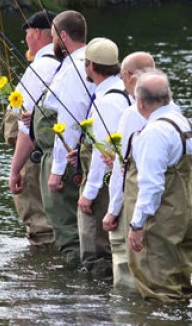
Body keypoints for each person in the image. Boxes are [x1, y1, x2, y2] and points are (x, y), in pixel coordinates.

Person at [33, 10, 95, 265]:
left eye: (54, 36)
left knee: (68, 228)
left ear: (64, 36)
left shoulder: (73, 70)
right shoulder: (87, 63)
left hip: (69, 159)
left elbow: (68, 123)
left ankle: (75, 291)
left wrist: (57, 170)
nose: (52, 42)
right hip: (82, 156)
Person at [125, 69, 192, 301]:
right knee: (181, 283)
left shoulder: (153, 133)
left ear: (140, 103)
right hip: (183, 216)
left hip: (161, 223)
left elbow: (151, 186)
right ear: (168, 96)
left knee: (160, 290)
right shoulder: (182, 123)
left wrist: (137, 224)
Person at [76, 37, 129, 278]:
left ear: (92, 66)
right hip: (118, 178)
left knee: (95, 250)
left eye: (85, 63)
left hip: (104, 184)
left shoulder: (107, 101)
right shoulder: (124, 93)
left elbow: (101, 153)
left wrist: (89, 193)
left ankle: (94, 305)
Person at [102, 51, 155, 290]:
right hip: (163, 203)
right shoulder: (172, 109)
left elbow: (122, 168)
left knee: (125, 266)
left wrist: (112, 210)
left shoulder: (133, 113)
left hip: (135, 202)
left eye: (123, 75)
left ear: (131, 77)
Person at [8, 10, 59, 247]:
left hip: (37, 156)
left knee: (39, 223)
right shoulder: (72, 64)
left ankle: (41, 274)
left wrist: (15, 169)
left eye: (27, 32)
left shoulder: (40, 68)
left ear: (37, 33)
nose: (26, 38)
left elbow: (26, 127)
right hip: (63, 155)